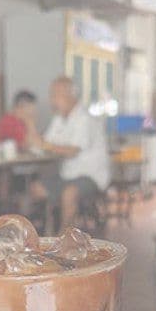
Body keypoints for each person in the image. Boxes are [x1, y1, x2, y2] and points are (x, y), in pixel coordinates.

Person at [39, 77, 110, 231]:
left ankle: (64, 237)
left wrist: (45, 145)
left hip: (90, 176)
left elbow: (72, 151)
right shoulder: (59, 119)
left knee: (69, 194)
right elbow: (45, 144)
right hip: (67, 175)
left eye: (55, 95)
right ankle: (44, 231)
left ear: (70, 96)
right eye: (51, 95)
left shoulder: (85, 119)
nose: (52, 100)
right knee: (36, 189)